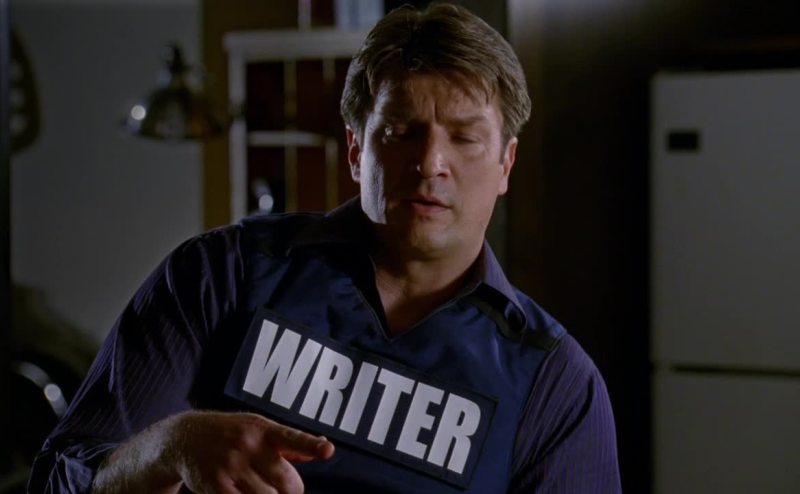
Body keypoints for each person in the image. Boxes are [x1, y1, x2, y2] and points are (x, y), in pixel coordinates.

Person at [28, 3, 621, 493]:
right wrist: (169, 447)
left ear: (505, 164)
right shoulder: (219, 276)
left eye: (465, 137)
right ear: (358, 150)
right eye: (401, 132)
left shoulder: (555, 386)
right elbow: (58, 480)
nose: (430, 163)